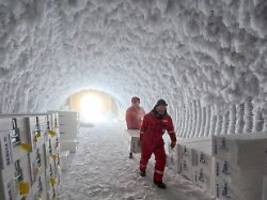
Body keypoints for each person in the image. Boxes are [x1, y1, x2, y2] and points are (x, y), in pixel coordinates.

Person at [139, 99, 176, 189]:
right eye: (160, 107)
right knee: (145, 157)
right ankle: (142, 169)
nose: (161, 109)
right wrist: (141, 140)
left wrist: (173, 140)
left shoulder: (167, 118)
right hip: (147, 142)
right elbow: (143, 129)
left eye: (163, 107)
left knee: (162, 160)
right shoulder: (148, 117)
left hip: (158, 142)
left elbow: (170, 130)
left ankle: (158, 180)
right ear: (156, 107)